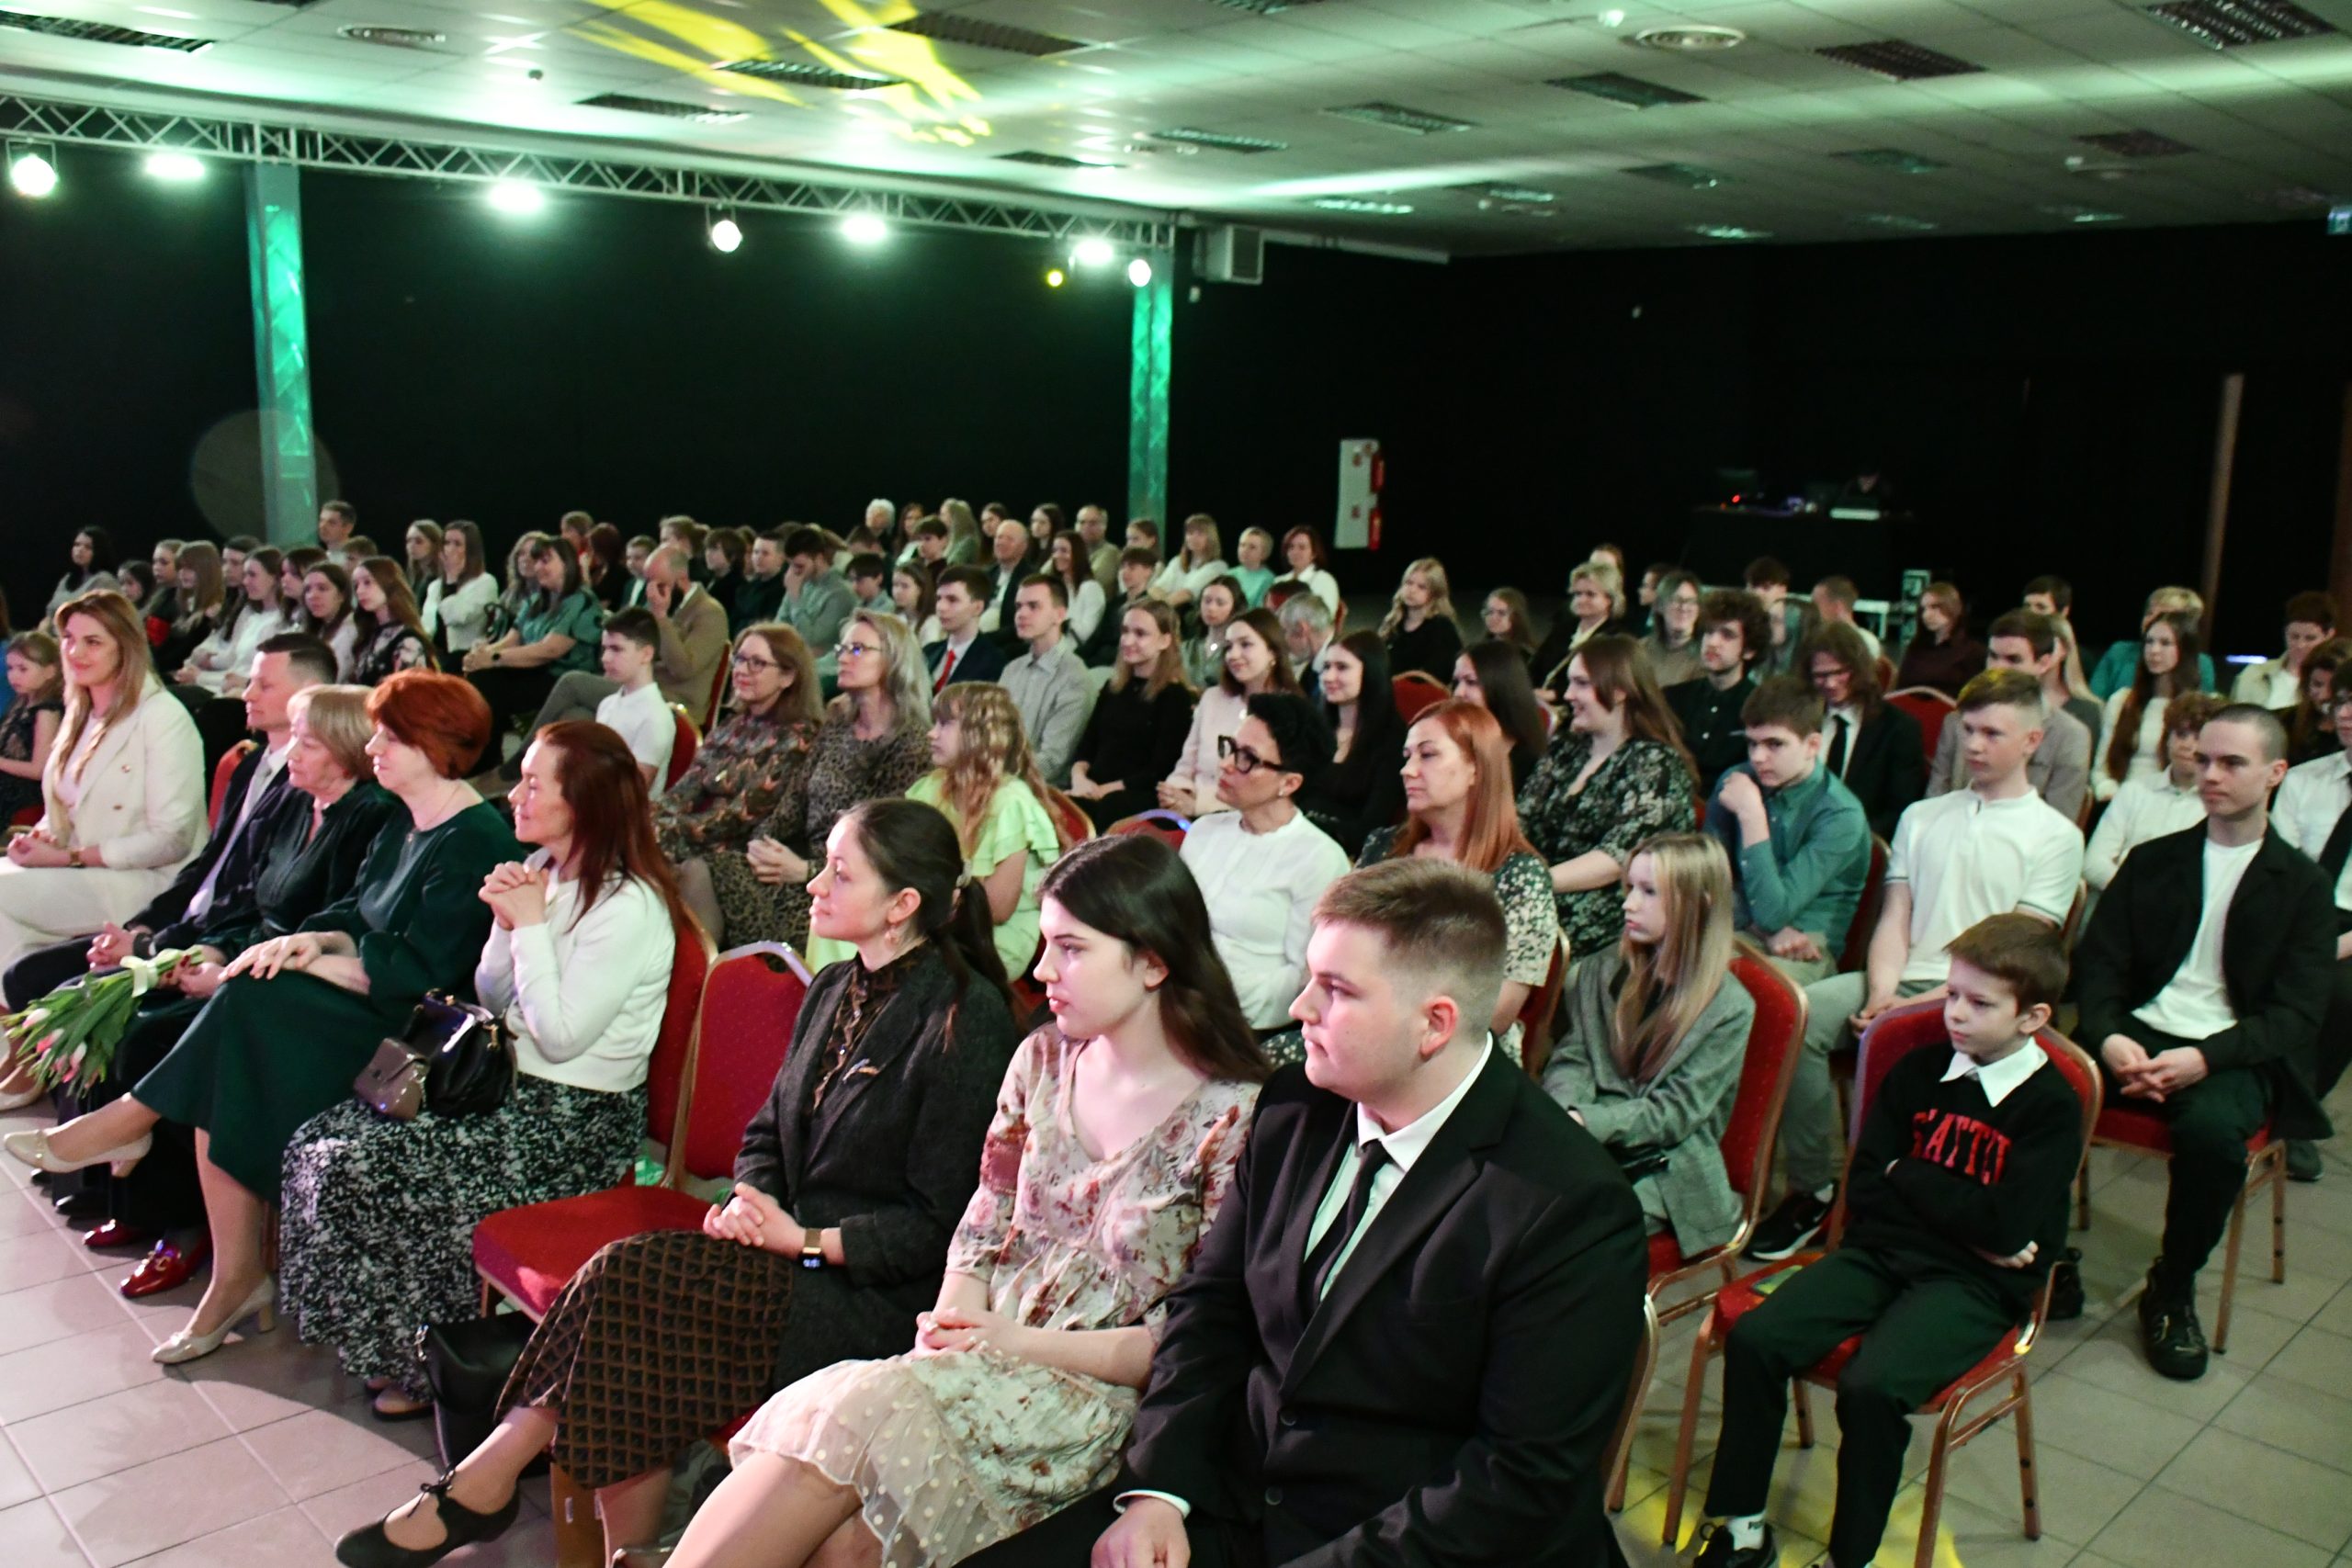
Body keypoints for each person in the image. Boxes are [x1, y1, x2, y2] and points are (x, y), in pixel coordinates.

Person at [335, 798, 1016, 1568]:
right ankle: (579, 1527)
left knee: (631, 1287)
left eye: (839, 872)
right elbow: (766, 1131)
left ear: (902, 904)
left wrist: (804, 1239)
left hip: (866, 1294)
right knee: (628, 1299)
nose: (814, 884)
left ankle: (485, 1486)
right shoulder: (834, 987)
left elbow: (939, 1226)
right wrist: (749, 1200)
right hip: (779, 1257)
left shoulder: (965, 1019)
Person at [997, 857, 1647, 1568]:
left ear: (1434, 1023)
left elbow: (1516, 1480)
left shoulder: (1569, 1205)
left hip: (1402, 1541)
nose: (1301, 1006)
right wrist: (1160, 1490)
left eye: (1335, 989)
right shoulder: (1295, 1105)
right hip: (1234, 1501)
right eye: (1310, 977)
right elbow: (1210, 1309)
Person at [676, 835, 1266, 1568]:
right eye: (1046, 943)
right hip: (981, 1358)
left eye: (1072, 949)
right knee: (841, 1499)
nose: (1042, 969)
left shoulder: (1233, 1114)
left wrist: (1004, 1343)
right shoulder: (1042, 1058)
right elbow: (984, 1224)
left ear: (1153, 961)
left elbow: (1189, 1336)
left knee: (849, 1440)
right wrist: (952, 1327)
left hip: (1091, 1398)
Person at [9, 671, 514, 1368]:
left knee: (248, 1002)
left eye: (389, 738)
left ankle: (139, 1135)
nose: (373, 748)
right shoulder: (407, 816)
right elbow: (355, 912)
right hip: (356, 1001)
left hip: (405, 1034)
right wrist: (309, 940)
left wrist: (316, 960)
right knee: (239, 1036)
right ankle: (231, 1268)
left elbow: (419, 971)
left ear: (435, 746)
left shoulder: (474, 838)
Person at [279, 722, 684, 1416]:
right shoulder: (547, 870)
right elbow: (494, 998)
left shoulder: (629, 904)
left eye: (533, 784)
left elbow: (561, 1038)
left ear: (582, 803)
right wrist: (504, 924)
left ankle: (424, 1363)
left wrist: (530, 927)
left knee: (376, 1164)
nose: (515, 797)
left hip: (574, 1120)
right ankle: (380, 1342)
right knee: (322, 1140)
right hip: (512, 1087)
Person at [1690, 914, 2083, 1568]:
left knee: (1872, 1387)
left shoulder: (2051, 1108)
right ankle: (1742, 1527)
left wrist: (1911, 1174)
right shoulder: (1920, 1071)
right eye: (1952, 993)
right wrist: (1959, 1213)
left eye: (1980, 1003)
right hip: (1880, 1254)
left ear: (2032, 1017)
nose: (1955, 1013)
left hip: (1976, 1286)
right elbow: (1868, 1187)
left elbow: (2007, 1228)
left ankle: (1854, 1557)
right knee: (1758, 1339)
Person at [1751, 668, 2084, 1262]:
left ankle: (1894, 1195)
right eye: (1967, 730)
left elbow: (2021, 956)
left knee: (1902, 1027)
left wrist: (1911, 1007)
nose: (1974, 745)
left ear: (2032, 741)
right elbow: (1896, 915)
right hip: (1901, 975)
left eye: (1992, 733)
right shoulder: (1923, 815)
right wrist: (1883, 991)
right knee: (1799, 1014)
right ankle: (1816, 1186)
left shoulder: (2054, 835)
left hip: (1981, 995)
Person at [2076, 703, 2335, 1378]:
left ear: (2276, 772)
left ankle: (2173, 1283)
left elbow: (2296, 1014)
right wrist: (2108, 1036)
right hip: (2136, 1032)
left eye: (2232, 763)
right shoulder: (2155, 860)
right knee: (2033, 1086)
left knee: (2214, 1134)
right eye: (2204, 759)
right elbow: (2099, 966)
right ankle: (2038, 1254)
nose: (2210, 774)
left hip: (2232, 1046)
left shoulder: (2303, 886)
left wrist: (2205, 1058)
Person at [1544, 831, 1754, 1252]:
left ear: (1698, 904)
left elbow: (1675, 1113)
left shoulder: (1729, 1009)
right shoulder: (1602, 969)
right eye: (1630, 888)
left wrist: (1587, 1123)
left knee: (1561, 1229)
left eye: (1649, 892)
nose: (1629, 903)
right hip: (1590, 1132)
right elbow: (1574, 1054)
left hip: (1668, 1163)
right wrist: (1564, 1112)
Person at [0, 592, 206, 990]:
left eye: (92, 642)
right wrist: (42, 837)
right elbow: (67, 806)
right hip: (81, 869)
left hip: (145, 880)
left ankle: (27, 1008)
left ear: (125, 647)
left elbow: (172, 839)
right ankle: (28, 1005)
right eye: (68, 639)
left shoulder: (163, 717)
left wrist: (69, 856)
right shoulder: (80, 712)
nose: (75, 652)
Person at [695, 612, 932, 952]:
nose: (843, 658)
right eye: (842, 649)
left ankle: (715, 978)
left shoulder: (911, 743)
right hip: (793, 866)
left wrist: (807, 870)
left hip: (845, 890)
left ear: (894, 660)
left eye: (858, 649)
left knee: (703, 873)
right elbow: (794, 801)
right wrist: (761, 845)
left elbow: (883, 846)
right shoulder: (838, 725)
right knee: (697, 869)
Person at [1358, 699, 1558, 1066]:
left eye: (1428, 755)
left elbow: (1498, 1012)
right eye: (1407, 756)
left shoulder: (1520, 877)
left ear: (1476, 770)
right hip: (1361, 1028)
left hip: (1454, 1054)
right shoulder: (1383, 847)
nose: (1407, 770)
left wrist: (1389, 1029)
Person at [1518, 635, 1699, 957]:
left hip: (1614, 905)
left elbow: (1616, 860)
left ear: (1619, 691)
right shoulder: (1567, 748)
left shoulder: (1656, 765)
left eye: (1581, 683)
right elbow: (1521, 818)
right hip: (1542, 885)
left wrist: (1528, 882)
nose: (1567, 695)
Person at [1179, 694, 1349, 1033]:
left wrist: (1216, 1006)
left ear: (1289, 783)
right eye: (1230, 748)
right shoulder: (1204, 831)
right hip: (1171, 997)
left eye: (1247, 758)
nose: (1227, 764)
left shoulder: (1319, 859)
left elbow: (1302, 976)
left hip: (1242, 1025)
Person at [1704, 675, 1871, 986]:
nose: (1757, 757)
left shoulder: (1841, 815)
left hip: (1803, 949)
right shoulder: (1738, 781)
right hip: (1734, 927)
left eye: (1774, 744)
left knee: (1716, 982)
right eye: (1752, 743)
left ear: (1812, 745)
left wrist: (1752, 816)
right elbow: (1705, 881)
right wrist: (1762, 928)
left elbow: (1773, 912)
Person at [905, 682, 1068, 978]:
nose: (931, 733)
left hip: (989, 941)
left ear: (980, 734)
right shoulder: (931, 787)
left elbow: (996, 909)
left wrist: (920, 898)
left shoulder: (1011, 802)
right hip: (931, 919)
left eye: (945, 724)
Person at [2274, 683, 2352, 1183]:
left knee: (2342, 995)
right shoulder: (2305, 779)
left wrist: (2329, 947)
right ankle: (2274, 1099)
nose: (2345, 714)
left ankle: (2296, 1115)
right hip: (2299, 910)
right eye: (2341, 702)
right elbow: (2279, 865)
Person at [1928, 607, 2094, 821]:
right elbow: (1934, 803)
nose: (1998, 668)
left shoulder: (2070, 736)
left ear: (2043, 663)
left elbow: (2058, 822)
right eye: (1993, 656)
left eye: (2013, 659)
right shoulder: (1956, 721)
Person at [461, 536, 605, 742]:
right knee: (468, 667)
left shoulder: (582, 601)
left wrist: (495, 658)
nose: (537, 567)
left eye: (545, 561)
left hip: (560, 678)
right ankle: (481, 747)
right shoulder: (537, 599)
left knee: (488, 683)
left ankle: (486, 750)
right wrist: (481, 655)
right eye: (536, 561)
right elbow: (512, 638)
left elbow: (550, 650)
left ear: (567, 564)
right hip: (531, 669)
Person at [1068, 602, 1194, 831]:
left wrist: (1105, 790)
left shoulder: (1174, 697)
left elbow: (1160, 769)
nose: (1127, 641)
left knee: (1106, 809)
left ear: (1165, 641)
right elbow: (1087, 746)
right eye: (1125, 631)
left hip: (1134, 795)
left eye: (1140, 634)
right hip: (1093, 787)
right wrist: (1079, 778)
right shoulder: (1113, 688)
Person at [1160, 607, 1297, 820]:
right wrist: (1176, 793)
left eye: (1245, 645)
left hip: (1245, 820)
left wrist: (1199, 805)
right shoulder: (1212, 698)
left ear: (1273, 652)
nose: (1233, 655)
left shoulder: (1290, 712)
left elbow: (1268, 790)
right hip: (1188, 811)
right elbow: (1186, 763)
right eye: (1229, 647)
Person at [1804, 619, 1924, 839]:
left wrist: (1848, 838)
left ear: (1859, 669)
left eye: (1839, 672)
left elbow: (1900, 809)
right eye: (1821, 675)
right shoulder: (1801, 721)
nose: (1830, 684)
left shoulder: (1898, 728)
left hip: (1863, 840)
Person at [1300, 629, 1406, 858]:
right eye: (1326, 667)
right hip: (1297, 841)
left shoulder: (1392, 739)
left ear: (1371, 672)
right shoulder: (1315, 727)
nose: (1328, 677)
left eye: (1342, 667)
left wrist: (1306, 828)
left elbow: (1371, 828)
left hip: (1345, 855)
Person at [1668, 589, 1772, 794]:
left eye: (1727, 635)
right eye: (1709, 632)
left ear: (1749, 650)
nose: (1713, 642)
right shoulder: (1672, 697)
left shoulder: (1762, 707)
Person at [2098, 608, 2201, 801]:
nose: (2154, 651)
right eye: (2149, 642)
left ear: (2184, 649)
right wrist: (2110, 792)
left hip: (2171, 802)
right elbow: (2100, 769)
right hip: (2119, 799)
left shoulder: (2197, 709)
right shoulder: (2121, 701)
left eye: (2165, 643)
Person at [1000, 575, 1094, 787]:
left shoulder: (1075, 679)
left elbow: (1052, 762)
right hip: (1001, 780)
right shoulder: (1012, 669)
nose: (1021, 614)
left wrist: (995, 774)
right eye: (1019, 606)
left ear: (1059, 615)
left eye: (1033, 606)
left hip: (1041, 791)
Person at [176, 547, 289, 700]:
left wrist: (200, 677)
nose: (245, 581)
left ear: (275, 578)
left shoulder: (282, 622)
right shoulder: (251, 614)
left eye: (252, 575)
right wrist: (198, 670)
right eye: (245, 575)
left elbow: (249, 676)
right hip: (223, 687)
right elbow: (233, 663)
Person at [590, 608, 675, 792]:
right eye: (605, 648)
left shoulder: (655, 718)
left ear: (646, 654)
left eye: (616, 649)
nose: (605, 658)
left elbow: (633, 792)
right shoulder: (607, 703)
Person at [1452, 637, 1549, 790]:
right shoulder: (1447, 742)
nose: (1458, 693)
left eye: (1471, 682)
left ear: (1501, 688)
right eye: (1456, 682)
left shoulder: (1531, 763)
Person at [2092, 585, 2220, 698]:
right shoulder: (2120, 651)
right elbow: (2095, 699)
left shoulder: (2202, 663)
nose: (2151, 620)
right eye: (2149, 613)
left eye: (2162, 615)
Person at [1532, 558, 1632, 695]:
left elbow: (1601, 684)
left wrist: (1555, 695)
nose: (1581, 600)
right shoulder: (1563, 629)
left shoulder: (1615, 639)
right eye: (1577, 594)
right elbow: (1535, 667)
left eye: (1590, 594)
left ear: (1610, 599)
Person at [0, 631, 63, 823]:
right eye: (10, 668)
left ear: (50, 671)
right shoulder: (22, 701)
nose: (13, 676)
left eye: (23, 669)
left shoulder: (46, 711)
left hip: (23, 800)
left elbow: (39, 768)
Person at [2234, 591, 2335, 709]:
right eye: (2294, 637)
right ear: (2285, 632)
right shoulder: (2254, 674)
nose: (2300, 645)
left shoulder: (2335, 681)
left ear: (2329, 635)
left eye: (2310, 638)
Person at [350, 558, 437, 684]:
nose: (359, 591)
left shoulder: (407, 639)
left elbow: (406, 689)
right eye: (356, 585)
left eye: (367, 582)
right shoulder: (368, 635)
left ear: (388, 584)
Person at [1376, 556, 1463, 681]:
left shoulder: (1442, 628)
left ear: (1435, 593)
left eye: (1421, 587)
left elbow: (1440, 673)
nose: (1412, 590)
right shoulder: (1391, 624)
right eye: (1409, 583)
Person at [926, 565, 1010, 693]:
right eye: (939, 598)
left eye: (952, 600)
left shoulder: (994, 663)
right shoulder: (928, 652)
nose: (941, 607)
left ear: (977, 608)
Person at [1895, 581, 1985, 698]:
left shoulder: (1973, 652)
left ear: (1953, 608)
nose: (1926, 615)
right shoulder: (1917, 647)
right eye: (1923, 609)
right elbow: (1900, 688)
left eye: (1934, 607)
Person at [421, 522, 499, 656]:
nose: (450, 549)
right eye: (446, 543)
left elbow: (456, 617)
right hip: (435, 657)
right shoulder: (435, 586)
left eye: (457, 544)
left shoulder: (485, 582)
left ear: (471, 551)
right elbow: (426, 626)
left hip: (465, 656)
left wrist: (452, 578)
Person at [779, 525, 857, 657]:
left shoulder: (840, 593)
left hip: (825, 663)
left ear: (819, 558)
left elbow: (811, 639)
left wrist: (795, 598)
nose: (794, 571)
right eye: (791, 565)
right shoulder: (799, 582)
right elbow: (779, 625)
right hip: (793, 656)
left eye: (799, 566)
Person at [156, 540, 226, 677]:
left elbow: (182, 655)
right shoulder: (184, 605)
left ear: (206, 570)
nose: (182, 573)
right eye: (180, 568)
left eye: (189, 568)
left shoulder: (214, 611)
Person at [1080, 547, 1160, 669]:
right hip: (1098, 660)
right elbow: (1096, 638)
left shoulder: (1150, 608)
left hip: (1117, 664)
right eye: (1123, 567)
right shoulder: (1114, 603)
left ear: (1148, 571)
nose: (1125, 572)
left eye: (1132, 568)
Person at [1743, 557, 1809, 678]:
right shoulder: (1748, 618)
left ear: (1783, 589)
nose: (1758, 593)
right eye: (1752, 587)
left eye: (1766, 587)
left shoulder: (1797, 616)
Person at [1640, 569, 1706, 688]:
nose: (1684, 607)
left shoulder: (1705, 657)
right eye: (1676, 600)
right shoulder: (1640, 650)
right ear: (1660, 606)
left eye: (1691, 601)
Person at [42, 526, 122, 623]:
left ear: (99, 551)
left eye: (88, 547)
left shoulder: (104, 581)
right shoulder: (67, 579)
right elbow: (50, 613)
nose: (80, 550)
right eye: (77, 545)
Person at [1149, 513, 1226, 614]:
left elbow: (1186, 594)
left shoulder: (1217, 566)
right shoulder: (1177, 561)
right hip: (1166, 611)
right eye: (1190, 533)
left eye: (1200, 534)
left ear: (1211, 538)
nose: (1193, 538)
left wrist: (1157, 609)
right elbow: (1156, 589)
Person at [298, 560, 362, 679]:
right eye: (307, 590)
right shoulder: (316, 628)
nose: (312, 596)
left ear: (342, 595)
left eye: (322, 589)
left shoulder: (352, 629)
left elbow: (333, 676)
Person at [1042, 530, 1107, 646]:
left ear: (1077, 554)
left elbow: (1085, 634)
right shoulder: (1056, 586)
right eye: (1054, 551)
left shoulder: (1091, 588)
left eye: (1064, 551)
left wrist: (1063, 621)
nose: (1057, 555)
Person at [1181, 575, 1245, 691]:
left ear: (1235, 608)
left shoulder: (1238, 650)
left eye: (1220, 603)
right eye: (1207, 601)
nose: (1211, 608)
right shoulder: (1187, 647)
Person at [1809, 574, 1883, 660]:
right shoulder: (1815, 638)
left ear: (1836, 607)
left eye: (1816, 604)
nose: (1811, 610)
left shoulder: (1865, 642)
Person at [1272, 525, 1340, 614]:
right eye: (1291, 547)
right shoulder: (1278, 581)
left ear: (1314, 553)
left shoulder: (1324, 580)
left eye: (1302, 547)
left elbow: (1326, 615)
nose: (1295, 552)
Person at [735, 528, 787, 626]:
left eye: (765, 553)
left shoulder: (784, 591)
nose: (758, 558)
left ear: (781, 559)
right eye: (755, 552)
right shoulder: (745, 589)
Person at [893, 559, 943, 647]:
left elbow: (928, 653)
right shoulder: (897, 617)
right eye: (895, 585)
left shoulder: (930, 622)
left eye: (905, 586)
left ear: (920, 590)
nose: (898, 591)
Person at [704, 526, 749, 614]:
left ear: (732, 556)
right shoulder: (710, 580)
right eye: (707, 548)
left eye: (715, 549)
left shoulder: (738, 589)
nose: (708, 554)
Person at [402, 521, 443, 596]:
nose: (411, 546)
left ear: (434, 544)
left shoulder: (442, 578)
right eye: (408, 541)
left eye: (418, 541)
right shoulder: (414, 578)